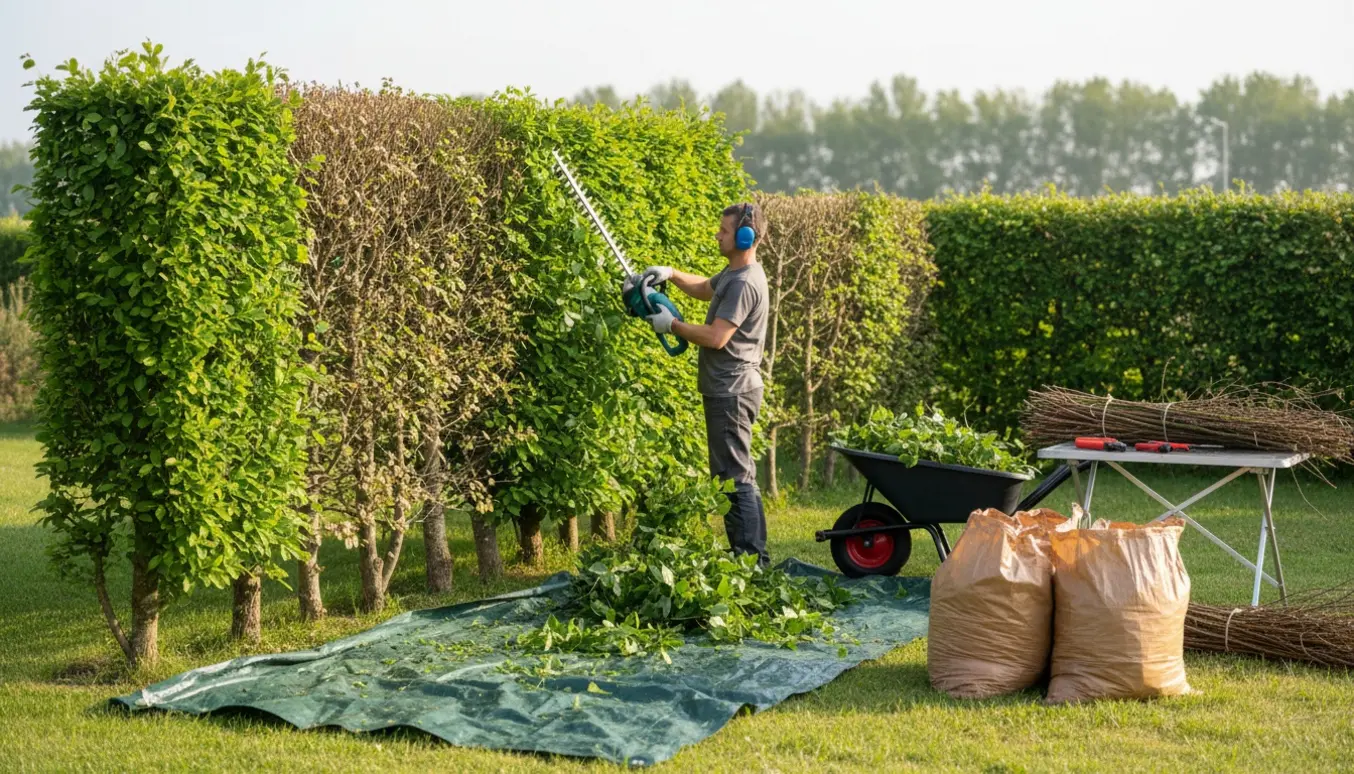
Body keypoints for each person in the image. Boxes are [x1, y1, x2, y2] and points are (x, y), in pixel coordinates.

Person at [632, 202, 770, 566]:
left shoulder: (744, 282)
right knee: (736, 474)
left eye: (723, 231)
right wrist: (672, 274)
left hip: (732, 391)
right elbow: (706, 289)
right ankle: (751, 557)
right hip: (729, 388)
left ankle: (751, 562)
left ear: (745, 237)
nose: (717, 235)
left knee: (734, 479)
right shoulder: (733, 274)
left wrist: (672, 326)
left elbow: (716, 337)